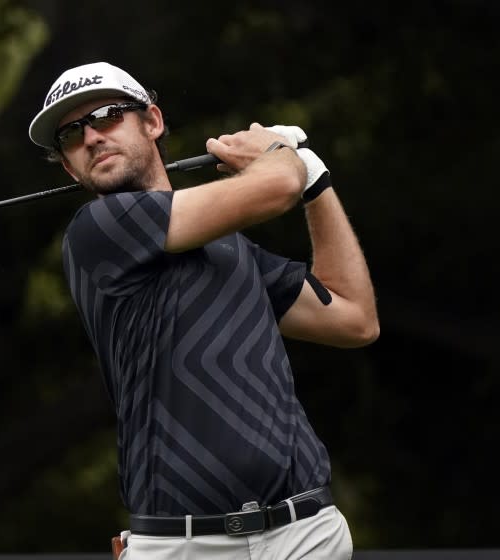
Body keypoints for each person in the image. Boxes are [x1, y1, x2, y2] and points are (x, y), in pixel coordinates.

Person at [28, 61, 379, 560]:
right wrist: (280, 156)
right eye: (70, 134)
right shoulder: (98, 231)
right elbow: (276, 187)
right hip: (185, 545)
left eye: (107, 115)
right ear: (68, 166)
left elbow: (353, 318)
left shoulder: (234, 250)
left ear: (152, 121)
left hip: (306, 532)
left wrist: (316, 183)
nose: (90, 137)